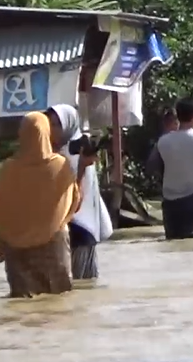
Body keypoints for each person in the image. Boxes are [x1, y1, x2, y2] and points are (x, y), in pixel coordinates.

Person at [0, 112, 82, 298]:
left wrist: (5, 235)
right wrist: (59, 222)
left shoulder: (8, 170)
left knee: (23, 302)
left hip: (16, 248)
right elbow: (74, 201)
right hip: (53, 245)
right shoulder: (60, 166)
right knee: (59, 301)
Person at [46, 104, 112, 281]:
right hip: (62, 230)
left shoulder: (76, 156)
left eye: (56, 125)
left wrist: (81, 167)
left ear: (68, 124)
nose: (51, 130)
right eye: (49, 124)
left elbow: (74, 196)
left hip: (79, 227)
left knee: (81, 285)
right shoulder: (54, 153)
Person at [147, 97, 193, 240]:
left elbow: (152, 166)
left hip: (170, 202)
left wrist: (164, 179)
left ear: (178, 116)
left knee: (172, 245)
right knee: (192, 246)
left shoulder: (163, 141)